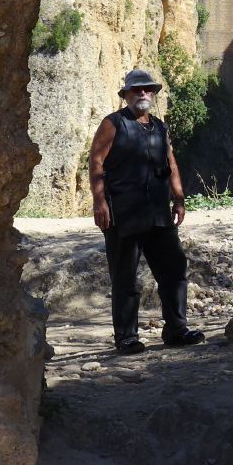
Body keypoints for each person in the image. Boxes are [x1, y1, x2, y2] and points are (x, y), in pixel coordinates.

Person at [88, 67, 205, 355]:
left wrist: (178, 199)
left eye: (147, 89)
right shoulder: (113, 124)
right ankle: (126, 337)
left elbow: (171, 164)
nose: (142, 93)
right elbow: (96, 162)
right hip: (123, 213)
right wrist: (99, 202)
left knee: (174, 270)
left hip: (158, 213)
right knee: (125, 277)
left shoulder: (160, 127)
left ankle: (176, 329)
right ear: (126, 95)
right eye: (136, 90)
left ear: (153, 94)